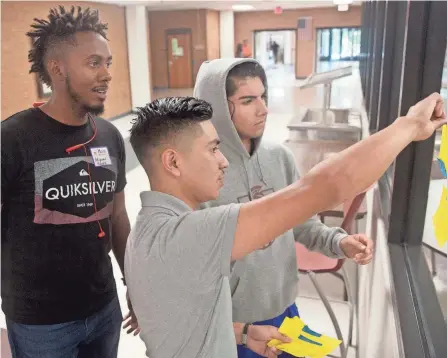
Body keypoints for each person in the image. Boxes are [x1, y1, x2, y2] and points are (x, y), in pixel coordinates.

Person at [124, 93, 446, 358]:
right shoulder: (188, 235)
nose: (222, 160)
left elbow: (188, 321)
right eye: (212, 149)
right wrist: (410, 126)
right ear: (173, 162)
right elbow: (324, 186)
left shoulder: (147, 232)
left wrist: (244, 333)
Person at [193, 58, 374, 357]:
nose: (263, 108)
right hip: (235, 324)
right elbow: (193, 264)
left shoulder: (280, 158)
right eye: (248, 100)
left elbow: (302, 223)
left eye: (263, 96)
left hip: (285, 307)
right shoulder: (200, 175)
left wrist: (339, 242)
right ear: (217, 107)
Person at [1, 6, 139, 358]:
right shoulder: (14, 138)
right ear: (57, 68)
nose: (107, 74)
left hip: (103, 307)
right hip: (40, 323)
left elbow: (118, 217)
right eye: (94, 63)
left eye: (108, 63)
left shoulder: (109, 135)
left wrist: (133, 286)